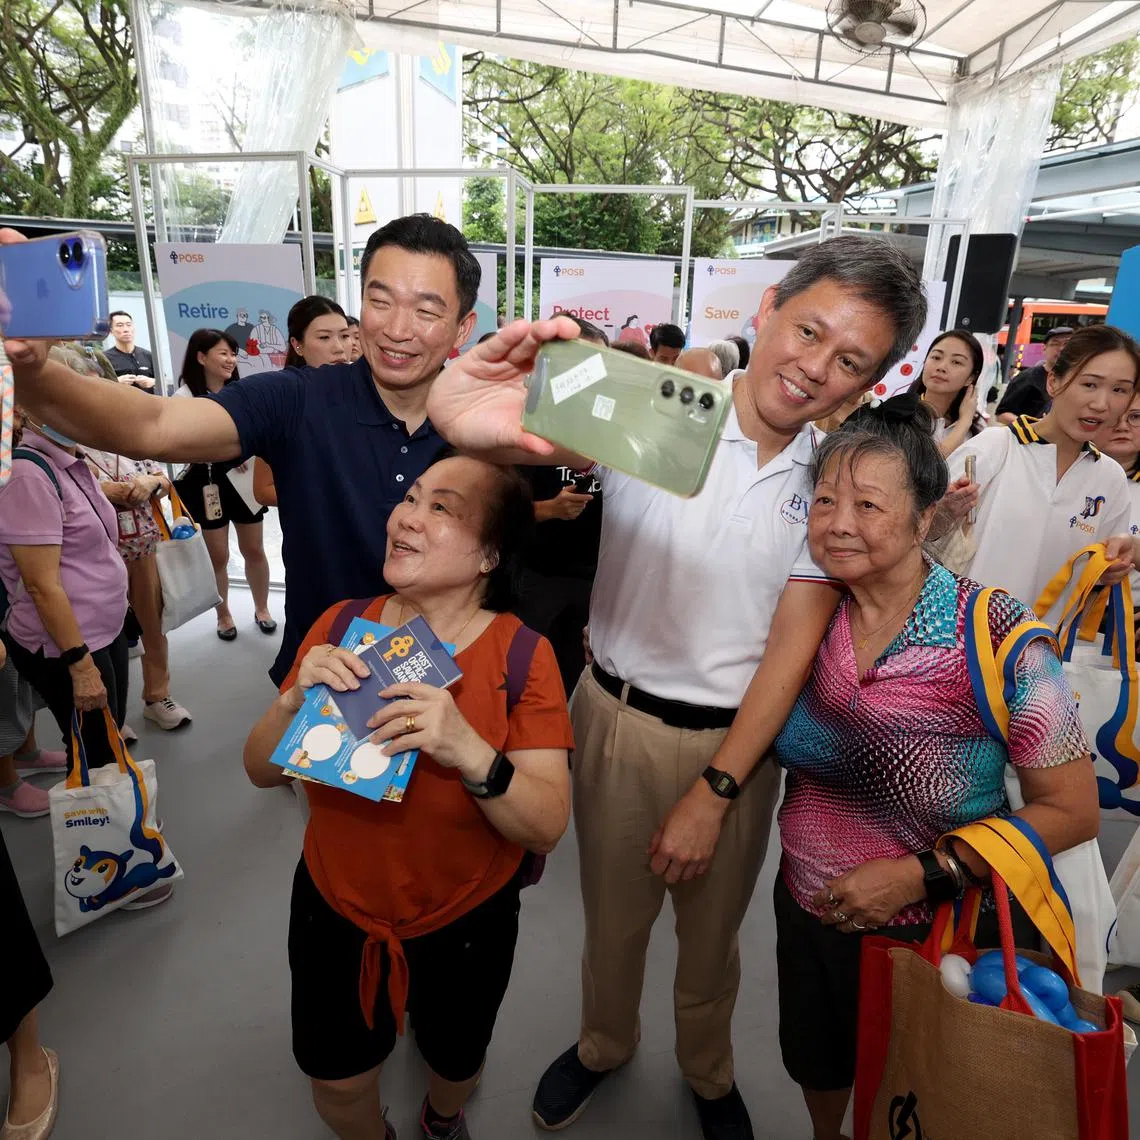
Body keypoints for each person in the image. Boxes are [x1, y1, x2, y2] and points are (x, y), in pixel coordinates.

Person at [423, 234, 930, 1140]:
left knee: (711, 941)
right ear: (768, 310)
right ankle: (602, 1044)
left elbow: (788, 655)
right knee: (612, 923)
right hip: (611, 717)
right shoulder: (654, 406)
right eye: (808, 331)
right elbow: (486, 429)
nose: (815, 368)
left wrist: (717, 788)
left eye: (849, 361)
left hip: (737, 742)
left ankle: (707, 1069)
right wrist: (470, 402)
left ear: (869, 384)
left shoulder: (832, 483)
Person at [772, 396, 1098, 1140]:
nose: (839, 522)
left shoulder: (997, 632)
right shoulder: (809, 615)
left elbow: (1072, 810)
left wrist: (921, 873)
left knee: (917, 1088)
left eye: (867, 504)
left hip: (934, 931)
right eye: (824, 501)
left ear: (924, 520)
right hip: (807, 905)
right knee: (816, 1060)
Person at [1, 215, 481, 691]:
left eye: (426, 310)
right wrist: (32, 368)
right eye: (380, 301)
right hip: (322, 678)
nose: (398, 329)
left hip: (453, 674)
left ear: (463, 328)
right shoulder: (297, 400)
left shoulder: (488, 427)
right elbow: (155, 424)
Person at [243, 453, 573, 1140]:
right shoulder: (340, 625)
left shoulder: (522, 656)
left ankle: (442, 1118)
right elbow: (260, 771)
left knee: (455, 1062)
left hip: (466, 918)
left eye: (442, 508)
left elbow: (544, 827)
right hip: (334, 906)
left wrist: (467, 748)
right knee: (336, 1084)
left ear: (490, 554)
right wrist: (297, 699)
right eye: (411, 498)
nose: (407, 518)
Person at [945, 324, 1140, 616]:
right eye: (1089, 384)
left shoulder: (1109, 479)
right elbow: (920, 539)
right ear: (1053, 382)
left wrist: (1107, 571)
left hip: (1043, 653)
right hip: (960, 643)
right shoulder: (995, 448)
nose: (1101, 404)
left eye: (1119, 390)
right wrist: (941, 516)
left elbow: (1094, 579)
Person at [0, 402, 132, 774]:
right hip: (69, 642)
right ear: (29, 408)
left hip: (103, 626)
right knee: (95, 750)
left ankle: (113, 822)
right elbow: (41, 585)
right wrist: (80, 665)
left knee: (106, 736)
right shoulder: (28, 474)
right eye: (62, 399)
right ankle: (98, 830)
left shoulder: (69, 462)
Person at [517, 315, 608, 694]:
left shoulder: (613, 425)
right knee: (529, 681)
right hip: (538, 579)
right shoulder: (525, 424)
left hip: (596, 583)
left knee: (576, 684)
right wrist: (547, 510)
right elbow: (493, 512)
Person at [172, 329, 275, 641]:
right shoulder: (183, 398)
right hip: (204, 481)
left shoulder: (243, 392)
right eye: (223, 353)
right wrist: (226, 450)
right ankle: (224, 613)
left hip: (243, 479)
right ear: (201, 357)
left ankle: (262, 608)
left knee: (254, 548)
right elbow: (181, 444)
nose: (231, 360)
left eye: (233, 354)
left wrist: (245, 448)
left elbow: (260, 433)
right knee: (218, 555)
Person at [253, 296, 351, 508]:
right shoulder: (284, 403)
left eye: (345, 336)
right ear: (297, 345)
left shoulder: (367, 395)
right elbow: (263, 490)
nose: (339, 348)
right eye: (324, 338)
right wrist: (334, 495)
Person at [906, 328, 985, 457]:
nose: (941, 367)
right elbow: (925, 467)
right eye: (936, 357)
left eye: (956, 362)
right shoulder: (900, 414)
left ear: (971, 378)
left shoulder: (977, 428)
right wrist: (964, 422)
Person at [994, 325, 1073, 423]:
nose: (1061, 348)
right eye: (1055, 344)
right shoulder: (1027, 377)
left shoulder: (1081, 379)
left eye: (1067, 344)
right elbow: (1002, 415)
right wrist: (1034, 425)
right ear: (1044, 348)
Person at [102, 311, 156, 392]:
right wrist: (116, 382)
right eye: (120, 325)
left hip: (148, 403)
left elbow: (163, 381)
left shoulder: (148, 355)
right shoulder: (105, 358)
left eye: (129, 325)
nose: (126, 329)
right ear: (111, 331)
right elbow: (96, 385)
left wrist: (153, 382)